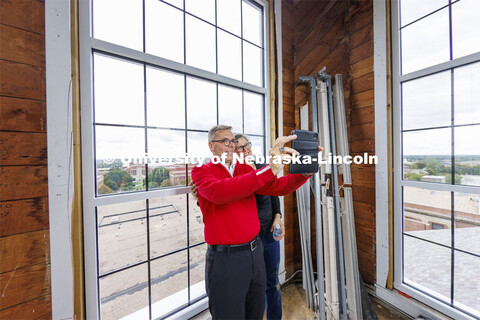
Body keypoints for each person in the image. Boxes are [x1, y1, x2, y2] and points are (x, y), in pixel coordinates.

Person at [190, 124, 318, 319]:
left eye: (233, 141)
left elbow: (277, 187)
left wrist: (305, 172)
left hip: (255, 253)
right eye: (225, 141)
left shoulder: (244, 169)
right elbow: (222, 192)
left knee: (255, 312)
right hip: (226, 260)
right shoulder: (201, 171)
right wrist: (269, 169)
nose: (231, 145)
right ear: (211, 146)